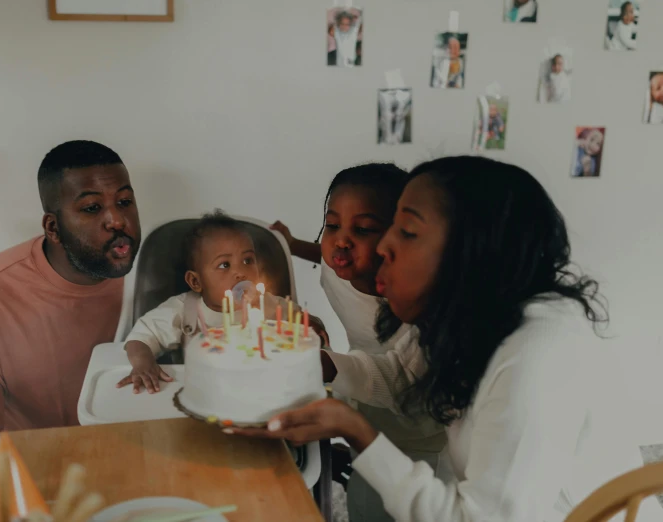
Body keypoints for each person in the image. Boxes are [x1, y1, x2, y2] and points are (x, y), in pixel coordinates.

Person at [235, 156, 658, 521]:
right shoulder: (473, 319)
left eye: (407, 231)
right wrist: (325, 364)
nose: (384, 248)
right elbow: (401, 369)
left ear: (470, 250)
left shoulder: (537, 353)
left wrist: (359, 431)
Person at [271, 163, 446, 522]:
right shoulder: (341, 266)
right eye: (332, 224)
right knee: (364, 503)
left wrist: (328, 365)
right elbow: (324, 253)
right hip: (363, 404)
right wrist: (290, 245)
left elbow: (403, 379)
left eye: (363, 229)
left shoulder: (420, 303)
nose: (341, 240)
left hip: (421, 431)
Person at [0, 140, 141, 432]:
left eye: (125, 202)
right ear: (53, 227)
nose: (117, 220)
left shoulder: (156, 273)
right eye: (92, 207)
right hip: (38, 467)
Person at [117, 210, 325, 394]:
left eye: (247, 261)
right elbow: (140, 339)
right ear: (196, 281)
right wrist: (143, 364)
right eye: (225, 264)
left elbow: (304, 324)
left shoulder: (266, 305)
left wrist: (312, 326)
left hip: (259, 393)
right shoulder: (183, 311)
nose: (240, 272)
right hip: (200, 396)